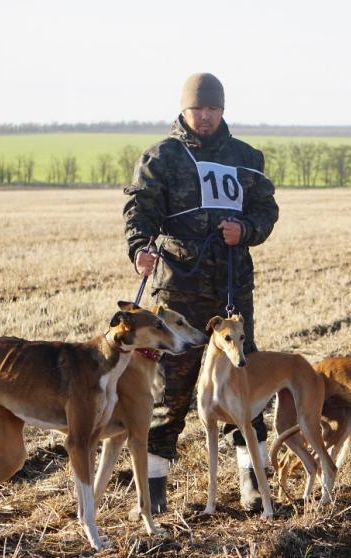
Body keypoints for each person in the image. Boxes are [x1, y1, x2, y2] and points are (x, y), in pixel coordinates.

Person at [123, 72, 280, 512]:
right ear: (184, 110)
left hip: (231, 290)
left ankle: (253, 483)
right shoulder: (162, 156)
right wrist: (139, 248)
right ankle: (152, 490)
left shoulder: (247, 157)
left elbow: (266, 210)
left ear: (223, 109)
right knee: (167, 393)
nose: (205, 117)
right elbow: (140, 208)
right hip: (178, 293)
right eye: (198, 109)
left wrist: (246, 228)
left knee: (241, 388)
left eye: (212, 109)